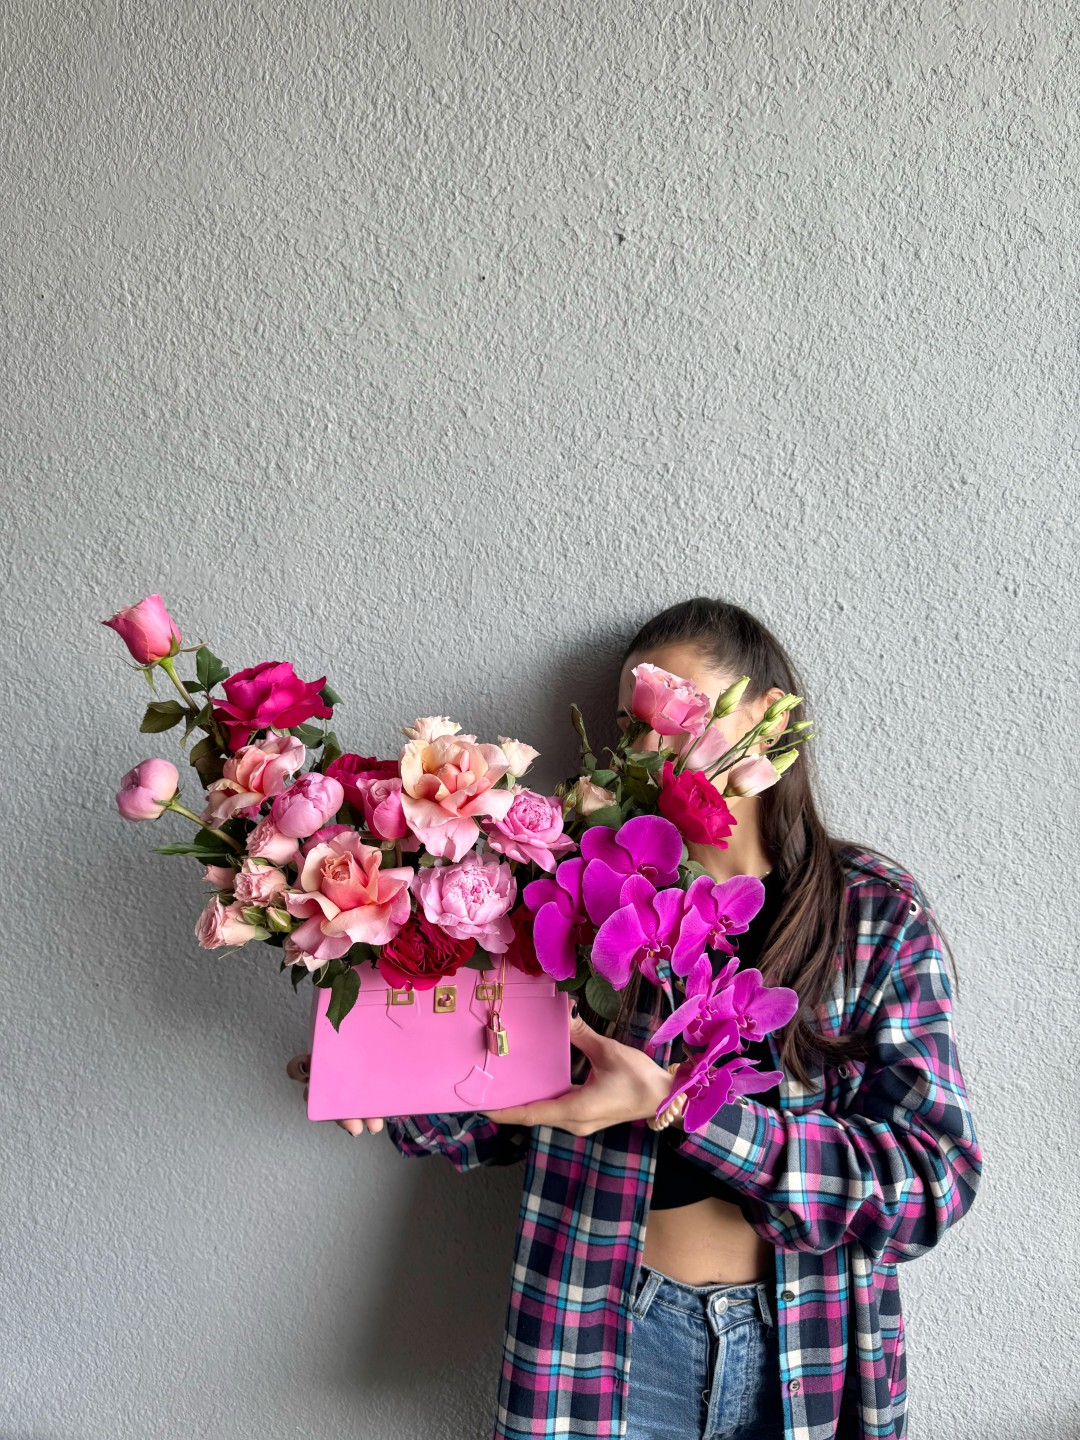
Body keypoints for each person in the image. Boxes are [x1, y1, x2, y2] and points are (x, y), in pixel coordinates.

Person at [286, 597, 983, 1439]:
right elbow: (499, 1115)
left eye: (679, 711)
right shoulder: (577, 898)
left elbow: (931, 1182)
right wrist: (389, 1077)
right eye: (632, 726)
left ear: (769, 718)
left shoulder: (870, 914)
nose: (654, 747)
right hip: (605, 1336)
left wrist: (683, 1109)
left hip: (808, 1350)